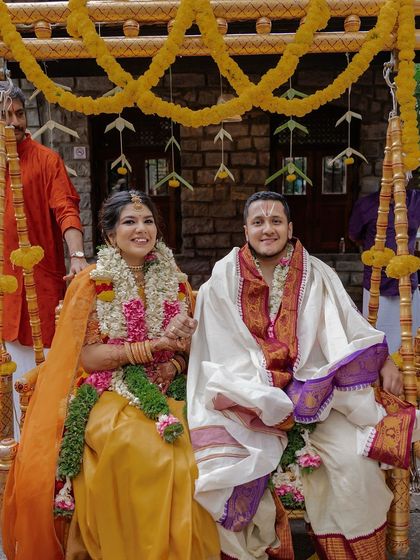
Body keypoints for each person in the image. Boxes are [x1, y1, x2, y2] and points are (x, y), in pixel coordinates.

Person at [187, 191, 420, 560]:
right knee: (223, 469)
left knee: (354, 464)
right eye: (259, 222)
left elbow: (349, 323)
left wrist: (383, 360)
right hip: (244, 399)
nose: (268, 229)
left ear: (290, 228)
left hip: (320, 397)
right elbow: (219, 346)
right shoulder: (222, 277)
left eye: (276, 221)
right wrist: (263, 392)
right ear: (245, 229)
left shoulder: (317, 272)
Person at [2, 190, 220, 560]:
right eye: (130, 222)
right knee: (137, 448)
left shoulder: (176, 279)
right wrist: (154, 346)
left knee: (197, 451)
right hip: (110, 391)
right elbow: (88, 358)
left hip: (174, 384)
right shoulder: (93, 283)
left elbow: (195, 349)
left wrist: (179, 353)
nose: (141, 229)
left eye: (148, 221)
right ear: (109, 235)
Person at [0, 81, 89, 435]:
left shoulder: (46, 160)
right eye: (5, 116)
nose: (15, 123)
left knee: (50, 387)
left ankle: (51, 460)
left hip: (43, 290)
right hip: (6, 296)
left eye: (19, 114)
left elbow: (66, 210)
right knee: (14, 389)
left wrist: (77, 256)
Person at [349, 186, 420, 353]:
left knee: (409, 340)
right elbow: (355, 235)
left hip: (407, 280)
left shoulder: (416, 200)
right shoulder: (366, 204)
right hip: (377, 282)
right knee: (377, 340)